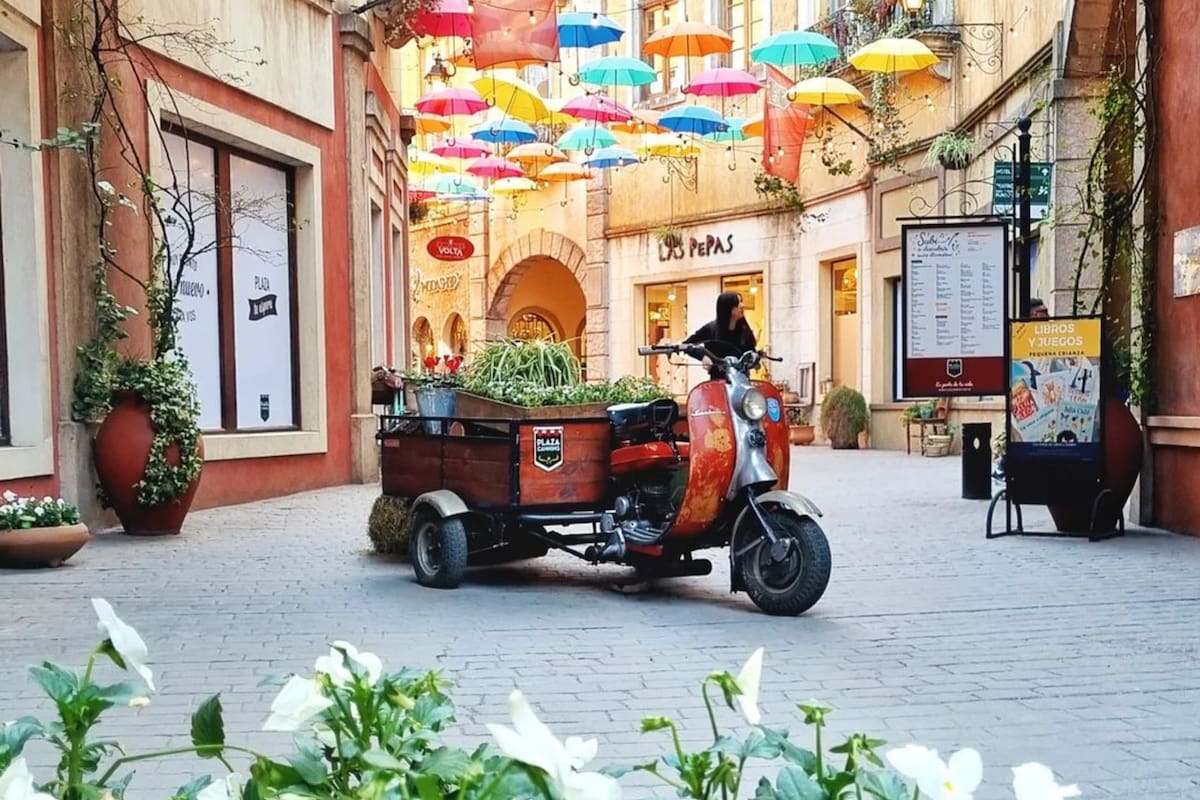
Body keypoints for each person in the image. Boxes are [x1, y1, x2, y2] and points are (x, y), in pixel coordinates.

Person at [683, 292, 758, 373]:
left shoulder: (744, 330)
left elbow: (751, 353)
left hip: (741, 380)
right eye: (738, 303)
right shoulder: (710, 329)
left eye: (741, 302)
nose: (742, 306)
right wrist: (703, 357)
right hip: (717, 381)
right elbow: (686, 345)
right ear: (728, 308)